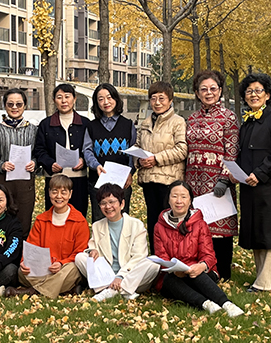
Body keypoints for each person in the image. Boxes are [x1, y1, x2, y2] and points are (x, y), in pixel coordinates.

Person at [231, 73, 271, 293]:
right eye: (249, 91)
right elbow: (243, 154)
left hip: (268, 185)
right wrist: (235, 172)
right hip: (249, 186)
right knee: (255, 231)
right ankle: (270, 277)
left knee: (268, 232)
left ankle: (263, 283)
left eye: (258, 91)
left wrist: (260, 173)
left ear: (267, 95)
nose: (253, 95)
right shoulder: (247, 122)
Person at [154, 181, 244, 317]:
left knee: (196, 275)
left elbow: (209, 255)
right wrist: (174, 269)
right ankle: (206, 304)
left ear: (190, 200)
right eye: (174, 196)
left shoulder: (200, 224)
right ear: (168, 199)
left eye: (183, 197)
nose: (179, 201)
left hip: (200, 272)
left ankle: (226, 304)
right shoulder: (159, 226)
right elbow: (162, 257)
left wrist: (201, 266)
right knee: (169, 281)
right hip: (175, 274)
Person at [185, 71, 239, 280]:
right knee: (198, 226)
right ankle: (202, 269)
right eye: (203, 89)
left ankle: (223, 271)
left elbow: (232, 151)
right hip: (194, 181)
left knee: (219, 228)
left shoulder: (228, 117)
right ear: (197, 93)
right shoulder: (192, 118)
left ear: (220, 90)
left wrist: (224, 179)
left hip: (218, 181)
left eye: (213, 89)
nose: (208, 93)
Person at [8, 174, 89, 298]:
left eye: (63, 192)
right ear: (49, 193)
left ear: (70, 194)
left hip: (65, 267)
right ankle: (66, 288)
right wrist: (25, 262)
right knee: (22, 272)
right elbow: (32, 247)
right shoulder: (41, 220)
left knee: (73, 270)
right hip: (44, 269)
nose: (59, 196)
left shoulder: (79, 221)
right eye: (54, 192)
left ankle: (33, 291)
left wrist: (61, 263)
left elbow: (79, 252)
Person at [75, 183, 159, 301]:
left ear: (122, 203)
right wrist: (92, 251)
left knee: (154, 264)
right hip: (106, 275)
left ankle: (110, 291)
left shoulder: (136, 225)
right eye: (103, 203)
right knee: (80, 257)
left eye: (111, 202)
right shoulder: (97, 226)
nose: (108, 206)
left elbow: (139, 256)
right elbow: (92, 247)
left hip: (130, 275)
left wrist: (121, 276)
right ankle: (121, 290)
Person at [134, 81, 187, 254]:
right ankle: (156, 259)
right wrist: (139, 161)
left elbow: (182, 150)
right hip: (149, 180)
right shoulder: (145, 123)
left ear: (170, 100)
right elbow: (137, 146)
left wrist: (156, 159)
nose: (157, 102)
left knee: (170, 223)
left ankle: (173, 260)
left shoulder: (178, 122)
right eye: (153, 98)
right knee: (153, 223)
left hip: (169, 182)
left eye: (161, 98)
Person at [0, 88, 38, 238]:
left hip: (25, 183)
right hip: (2, 181)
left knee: (23, 223)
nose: (14, 107)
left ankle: (20, 250)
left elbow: (40, 153)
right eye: (10, 104)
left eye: (19, 104)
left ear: (25, 106)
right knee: (0, 221)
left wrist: (34, 162)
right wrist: (0, 164)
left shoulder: (33, 130)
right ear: (5, 106)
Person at [34, 84, 90, 217]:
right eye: (59, 97)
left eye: (67, 97)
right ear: (54, 101)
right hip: (54, 178)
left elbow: (90, 148)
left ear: (74, 99)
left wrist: (83, 160)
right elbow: (39, 150)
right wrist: (50, 163)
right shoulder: (46, 124)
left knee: (78, 216)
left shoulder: (85, 123)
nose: (64, 101)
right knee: (54, 216)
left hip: (78, 178)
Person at [83, 83, 136, 222]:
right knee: (99, 221)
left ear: (116, 99)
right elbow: (87, 150)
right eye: (101, 99)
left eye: (109, 97)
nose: (106, 102)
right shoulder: (91, 126)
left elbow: (133, 151)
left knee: (122, 221)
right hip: (98, 182)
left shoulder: (128, 124)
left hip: (122, 182)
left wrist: (130, 172)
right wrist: (96, 165)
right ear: (96, 103)